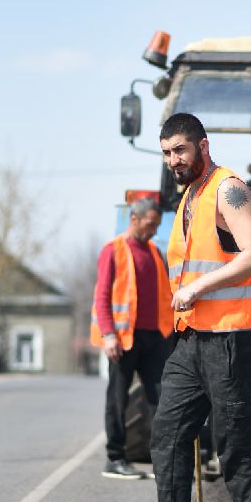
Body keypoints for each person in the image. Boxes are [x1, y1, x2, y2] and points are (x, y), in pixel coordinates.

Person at [120, 113, 251, 502]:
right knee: (165, 433)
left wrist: (199, 288)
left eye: (180, 150)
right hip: (191, 337)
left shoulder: (229, 189)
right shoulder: (190, 196)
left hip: (228, 335)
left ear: (203, 146)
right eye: (166, 152)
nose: (173, 160)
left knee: (233, 440)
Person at [91, 197, 173, 479]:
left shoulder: (153, 251)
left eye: (157, 226)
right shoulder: (112, 250)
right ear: (134, 219)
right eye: (150, 225)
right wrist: (108, 334)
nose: (154, 231)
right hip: (124, 339)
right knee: (118, 398)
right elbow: (102, 295)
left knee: (160, 399)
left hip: (155, 337)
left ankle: (164, 458)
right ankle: (115, 458)